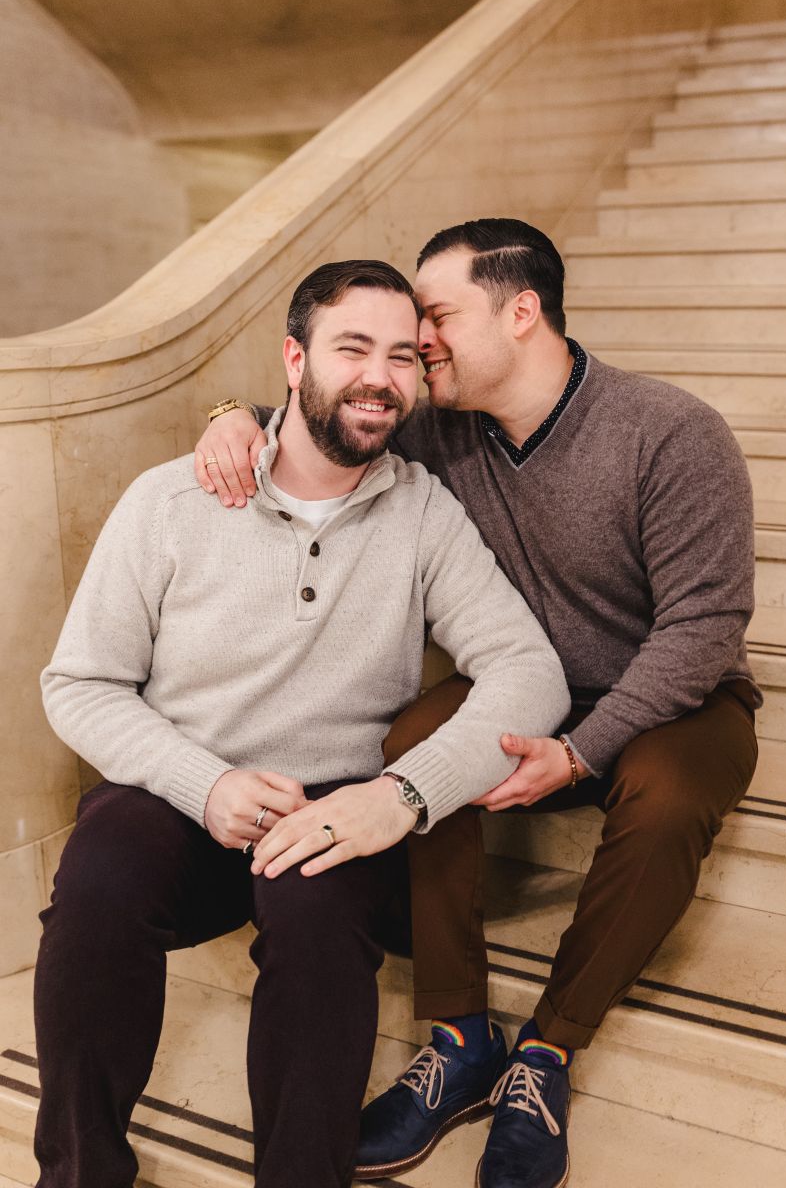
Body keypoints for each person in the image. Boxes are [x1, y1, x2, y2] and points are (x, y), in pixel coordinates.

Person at [196, 219, 760, 1188]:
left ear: (522, 311)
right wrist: (228, 417)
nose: (419, 342)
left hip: (678, 698)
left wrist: (579, 752)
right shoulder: (443, 424)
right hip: (527, 684)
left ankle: (547, 1051)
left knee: (667, 797)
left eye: (438, 316)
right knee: (416, 740)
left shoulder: (668, 431)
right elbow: (320, 410)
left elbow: (703, 630)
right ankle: (459, 1038)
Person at [36, 258, 570, 1188]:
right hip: (180, 788)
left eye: (402, 357)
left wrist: (400, 796)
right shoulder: (170, 501)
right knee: (97, 887)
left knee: (320, 922)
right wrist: (204, 784)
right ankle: (79, 1175)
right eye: (352, 348)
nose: (380, 378)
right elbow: (80, 683)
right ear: (294, 359)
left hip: (335, 809)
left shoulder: (425, 512)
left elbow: (529, 671)